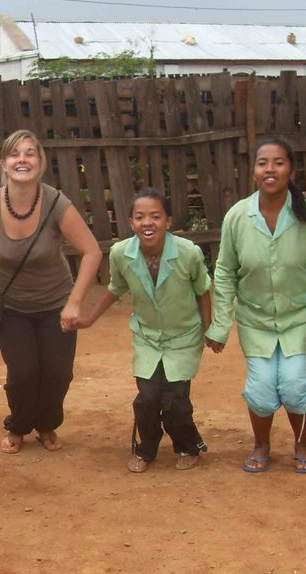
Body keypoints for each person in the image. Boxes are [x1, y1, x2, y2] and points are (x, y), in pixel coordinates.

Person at [0, 129, 102, 455]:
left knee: (58, 372)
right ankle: (19, 425)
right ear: (4, 164)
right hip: (9, 306)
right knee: (23, 372)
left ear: (40, 163)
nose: (22, 159)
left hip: (55, 303)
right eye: (15, 154)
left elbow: (92, 251)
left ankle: (47, 424)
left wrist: (75, 303)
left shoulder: (55, 203)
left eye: (29, 153)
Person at [205, 137, 306, 474]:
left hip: (300, 318)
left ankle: (302, 443)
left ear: (291, 170)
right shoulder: (238, 216)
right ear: (253, 172)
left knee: (295, 386)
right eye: (263, 162)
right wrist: (220, 326)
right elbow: (224, 271)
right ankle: (261, 443)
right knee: (262, 389)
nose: (270, 169)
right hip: (255, 320)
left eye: (279, 162)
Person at [79, 188, 211, 472]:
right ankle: (146, 449)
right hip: (147, 336)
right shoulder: (121, 253)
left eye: (155, 216)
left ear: (168, 221)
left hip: (184, 336)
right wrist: (90, 318)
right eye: (140, 217)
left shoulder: (188, 253)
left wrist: (208, 329)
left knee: (175, 399)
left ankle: (187, 445)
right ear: (130, 223)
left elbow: (203, 290)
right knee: (148, 398)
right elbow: (116, 288)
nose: (147, 223)